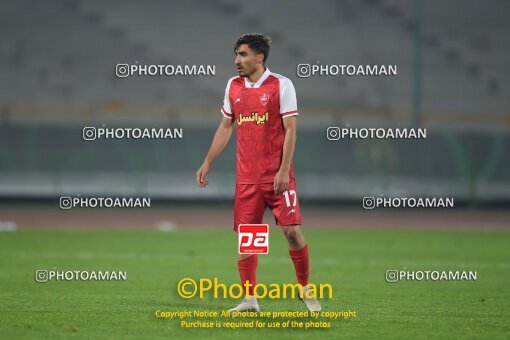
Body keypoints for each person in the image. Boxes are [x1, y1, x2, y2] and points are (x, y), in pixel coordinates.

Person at [196, 33, 321, 312]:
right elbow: (226, 126)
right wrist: (208, 162)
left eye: (242, 54)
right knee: (249, 238)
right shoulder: (233, 86)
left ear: (259, 57)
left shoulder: (281, 85)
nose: (236, 60)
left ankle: (305, 288)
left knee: (292, 232)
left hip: (278, 176)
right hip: (247, 179)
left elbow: (291, 130)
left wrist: (284, 169)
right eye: (236, 54)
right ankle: (250, 300)